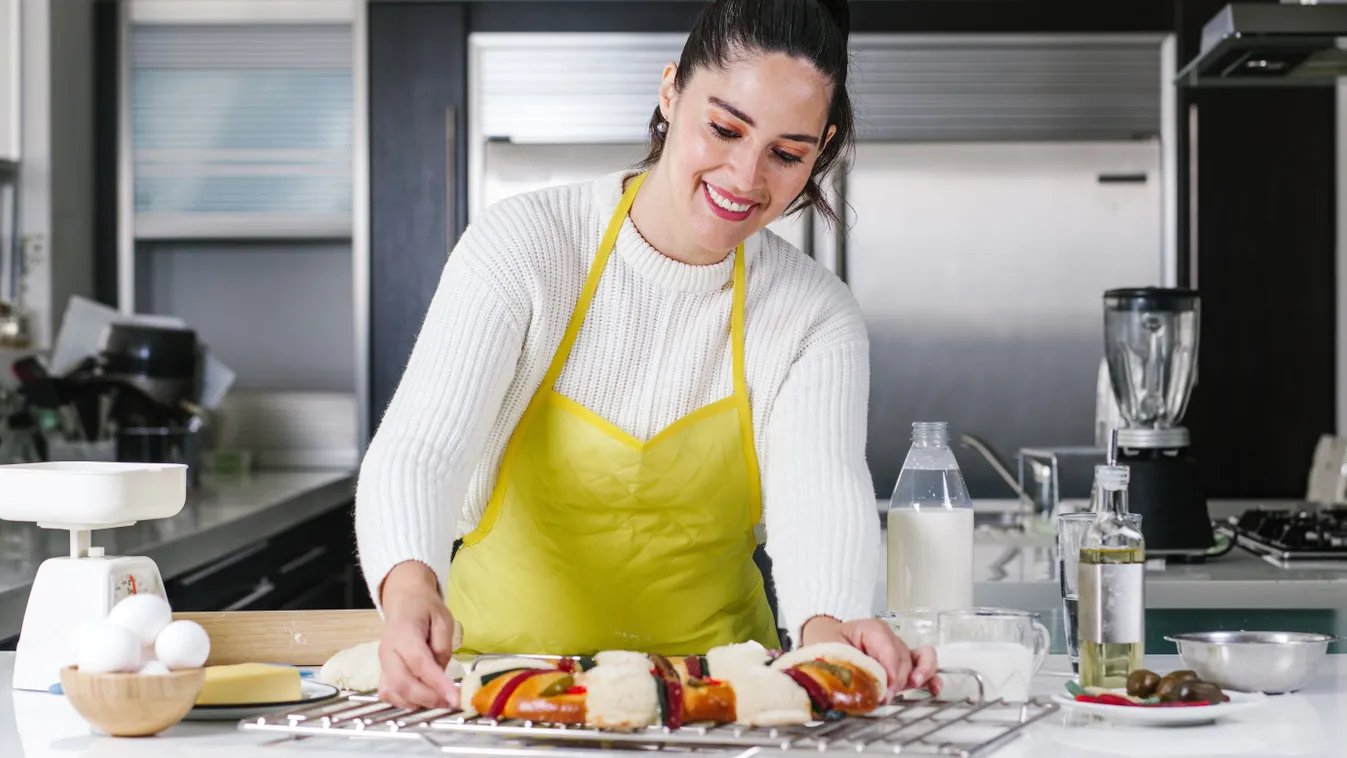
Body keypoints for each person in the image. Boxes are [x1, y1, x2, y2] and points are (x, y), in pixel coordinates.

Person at [356, 0, 938, 711]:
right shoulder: (527, 246)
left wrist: (832, 628)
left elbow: (819, 499)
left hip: (720, 708)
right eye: (724, 129)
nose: (745, 177)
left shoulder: (813, 314)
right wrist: (409, 588)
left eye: (787, 154)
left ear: (822, 148)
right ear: (670, 91)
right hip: (500, 696)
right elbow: (421, 448)